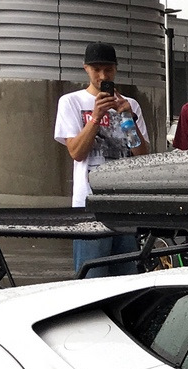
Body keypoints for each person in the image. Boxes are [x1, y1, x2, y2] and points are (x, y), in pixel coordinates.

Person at [55, 42, 148, 278]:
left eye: (108, 70)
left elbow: (143, 157)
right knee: (91, 277)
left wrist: (127, 117)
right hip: (89, 204)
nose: (103, 76)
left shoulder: (131, 105)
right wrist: (95, 118)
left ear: (116, 69)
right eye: (96, 69)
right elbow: (76, 152)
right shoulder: (71, 102)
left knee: (126, 277)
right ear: (86, 68)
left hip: (125, 205)